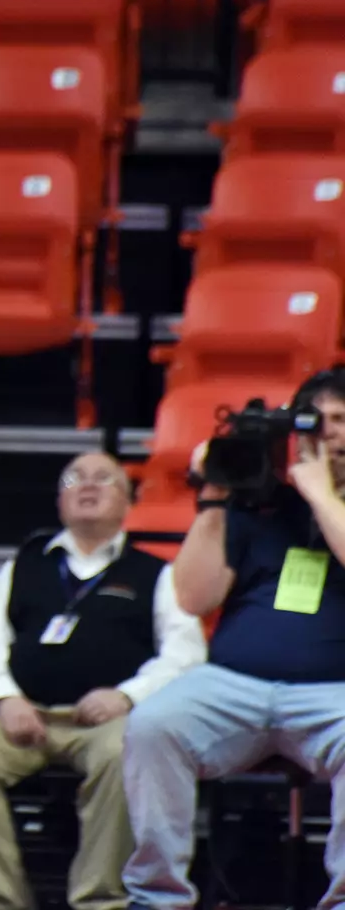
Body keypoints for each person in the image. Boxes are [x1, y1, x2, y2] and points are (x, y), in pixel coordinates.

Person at [0, 452, 205, 910]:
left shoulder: (156, 574)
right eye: (74, 478)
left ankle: (99, 899)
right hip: (26, 712)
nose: (88, 485)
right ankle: (0, 897)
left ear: (127, 501)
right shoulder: (23, 566)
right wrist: (5, 699)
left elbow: (186, 654)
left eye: (104, 479)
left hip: (110, 721)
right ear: (60, 500)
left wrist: (126, 696)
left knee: (128, 753)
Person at [123, 367, 345, 910]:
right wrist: (215, 499)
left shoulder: (319, 498)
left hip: (333, 693)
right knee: (152, 725)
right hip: (232, 684)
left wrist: (321, 495)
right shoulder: (257, 502)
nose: (334, 434)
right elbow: (193, 599)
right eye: (325, 421)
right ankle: (158, 898)